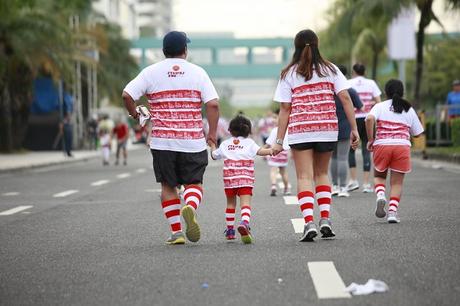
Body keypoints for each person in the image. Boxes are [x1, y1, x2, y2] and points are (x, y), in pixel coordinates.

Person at [122, 31, 219, 245]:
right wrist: (212, 133)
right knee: (194, 183)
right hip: (192, 141)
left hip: (162, 142)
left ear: (164, 51)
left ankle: (176, 233)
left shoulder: (150, 72)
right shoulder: (198, 72)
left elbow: (127, 95)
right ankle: (190, 206)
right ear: (185, 50)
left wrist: (135, 114)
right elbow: (212, 104)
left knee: (168, 186)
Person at [272, 29, 359, 242]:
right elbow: (346, 98)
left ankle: (309, 222)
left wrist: (279, 141)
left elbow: (285, 109)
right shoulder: (331, 69)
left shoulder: (288, 73)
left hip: (301, 130)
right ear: (317, 44)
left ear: (297, 46)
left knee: (304, 177)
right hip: (327, 129)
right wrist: (354, 128)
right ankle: (326, 220)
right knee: (322, 174)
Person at [365, 79, 424, 223]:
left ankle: (380, 195)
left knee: (379, 176)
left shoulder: (379, 106)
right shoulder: (408, 108)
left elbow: (369, 119)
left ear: (386, 92)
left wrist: (371, 139)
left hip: (382, 145)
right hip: (402, 146)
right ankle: (392, 212)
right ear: (402, 92)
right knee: (396, 183)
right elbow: (418, 133)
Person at [210, 115, 273, 243]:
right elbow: (261, 152)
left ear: (230, 130)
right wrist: (274, 150)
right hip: (245, 178)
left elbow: (214, 155)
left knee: (230, 204)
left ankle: (230, 231)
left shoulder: (225, 144)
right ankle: (244, 223)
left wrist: (212, 145)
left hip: (230, 179)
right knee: (245, 204)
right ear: (248, 131)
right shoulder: (250, 143)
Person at [347, 63, 382, 193]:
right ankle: (366, 184)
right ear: (365, 71)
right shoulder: (371, 83)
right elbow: (379, 102)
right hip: (368, 119)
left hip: (353, 119)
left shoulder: (348, 83)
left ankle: (353, 180)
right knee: (367, 149)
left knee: (351, 149)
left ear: (353, 72)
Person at [330, 65, 363, 198]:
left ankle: (334, 186)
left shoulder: (328, 90)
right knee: (343, 158)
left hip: (330, 128)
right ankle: (343, 187)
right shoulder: (350, 91)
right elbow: (360, 107)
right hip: (345, 127)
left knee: (333, 158)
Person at [265, 111, 291, 196]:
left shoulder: (275, 130)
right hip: (284, 153)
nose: (273, 120)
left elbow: (268, 143)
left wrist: (262, 150)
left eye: (275, 118)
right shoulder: (287, 130)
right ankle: (286, 188)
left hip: (275, 152)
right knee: (283, 172)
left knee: (273, 170)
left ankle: (273, 186)